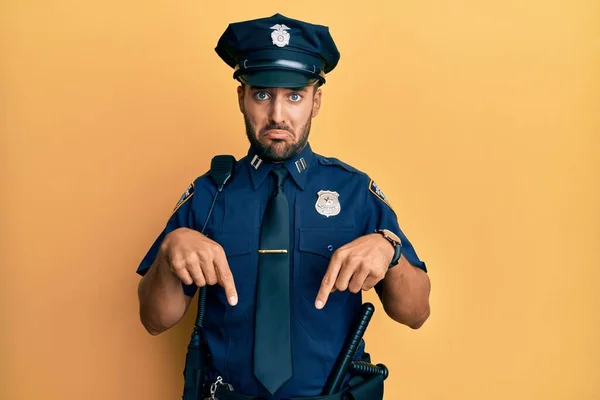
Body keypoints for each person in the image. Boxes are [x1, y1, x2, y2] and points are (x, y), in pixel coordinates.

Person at [136, 13, 431, 400]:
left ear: (316, 101)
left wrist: (388, 250)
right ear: (242, 98)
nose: (277, 114)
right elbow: (155, 320)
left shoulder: (355, 191)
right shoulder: (209, 194)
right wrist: (170, 249)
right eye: (262, 94)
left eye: (294, 96)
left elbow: (415, 313)